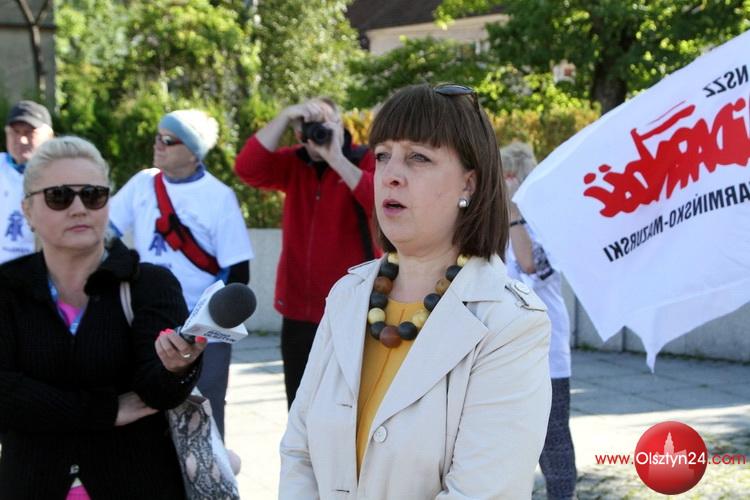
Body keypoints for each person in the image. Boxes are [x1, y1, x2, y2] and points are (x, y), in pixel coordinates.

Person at [279, 84, 552, 498]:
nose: (390, 174)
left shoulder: (510, 323)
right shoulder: (348, 296)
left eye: (418, 158)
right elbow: (299, 453)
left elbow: (480, 491)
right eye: (382, 155)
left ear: (469, 184)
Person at [0, 136, 206, 499]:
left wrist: (176, 368)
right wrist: (107, 410)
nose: (79, 208)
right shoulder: (6, 289)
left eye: (93, 195)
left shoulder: (150, 284)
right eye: (59, 196)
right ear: (27, 210)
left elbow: (157, 393)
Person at [109, 109, 254, 439]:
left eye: (169, 140)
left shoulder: (219, 196)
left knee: (205, 415)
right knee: (145, 412)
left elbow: (238, 272)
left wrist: (204, 326)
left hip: (202, 330)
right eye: (157, 136)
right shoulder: (142, 183)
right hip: (147, 321)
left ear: (193, 152)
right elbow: (105, 235)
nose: (158, 144)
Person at [235, 97, 380, 408]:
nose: (316, 136)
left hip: (352, 309)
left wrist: (336, 159)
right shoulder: (294, 164)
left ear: (340, 126)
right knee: (299, 405)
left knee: (350, 407)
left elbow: (379, 202)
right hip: (298, 309)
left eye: (324, 126)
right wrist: (285, 116)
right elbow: (247, 168)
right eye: (308, 130)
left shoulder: (364, 160)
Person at [502, 141, 577, 500]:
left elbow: (530, 264)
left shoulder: (545, 224)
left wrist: (514, 209)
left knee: (553, 439)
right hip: (506, 349)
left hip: (546, 352)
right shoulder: (500, 225)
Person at [1, 100, 54, 263]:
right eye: (15, 132)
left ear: (49, 136)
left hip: (40, 269)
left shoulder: (62, 174)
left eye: (30, 133)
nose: (22, 140)